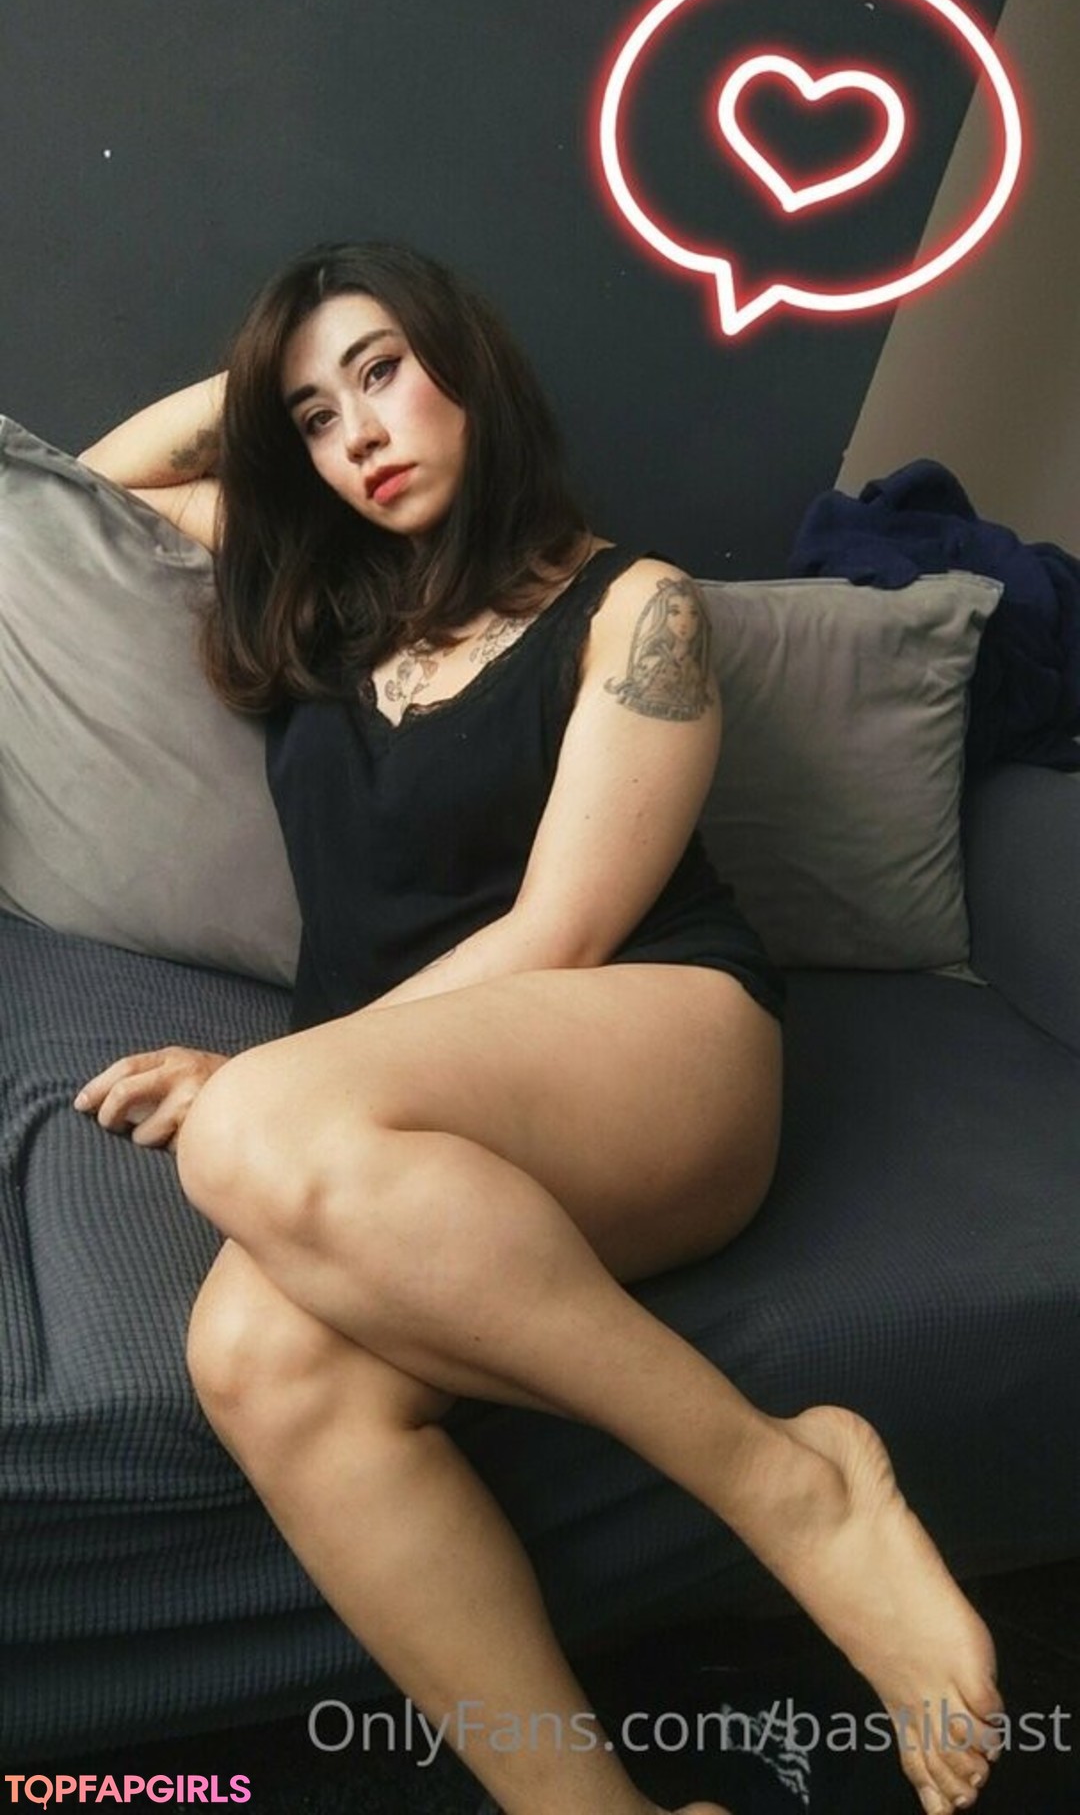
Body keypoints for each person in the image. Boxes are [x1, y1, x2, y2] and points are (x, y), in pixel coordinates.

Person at [74, 241, 1002, 1815]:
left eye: (384, 371)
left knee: (251, 1132)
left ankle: (794, 1484)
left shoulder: (637, 609)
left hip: (653, 1041)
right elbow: (82, 494)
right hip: (381, 1106)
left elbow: (558, 936)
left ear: (471, 364)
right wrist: (264, 392)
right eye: (315, 417)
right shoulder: (317, 592)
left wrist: (266, 1089)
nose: (360, 434)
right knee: (250, 1356)